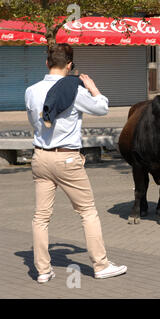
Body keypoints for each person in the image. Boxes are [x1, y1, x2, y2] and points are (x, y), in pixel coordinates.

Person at [25, 43, 127, 283]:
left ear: (47, 63)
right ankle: (101, 265)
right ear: (70, 65)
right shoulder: (74, 91)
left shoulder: (31, 90)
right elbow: (102, 108)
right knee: (87, 212)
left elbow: (34, 122)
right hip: (67, 158)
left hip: (40, 156)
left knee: (41, 217)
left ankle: (42, 271)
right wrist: (93, 88)